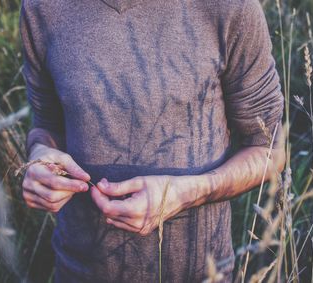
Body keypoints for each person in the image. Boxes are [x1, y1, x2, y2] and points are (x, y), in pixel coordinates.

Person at [19, 0, 285, 282]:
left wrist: (187, 193)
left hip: (198, 274)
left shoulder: (230, 7)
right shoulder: (43, 8)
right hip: (78, 270)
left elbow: (270, 150)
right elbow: (47, 127)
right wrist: (40, 156)